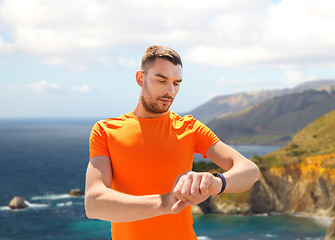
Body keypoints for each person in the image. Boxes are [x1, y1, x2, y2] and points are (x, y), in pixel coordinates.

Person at [84, 45, 261, 239]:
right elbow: (94, 204)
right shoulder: (105, 130)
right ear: (140, 78)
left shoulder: (190, 128)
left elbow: (251, 171)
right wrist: (164, 203)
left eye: (177, 83)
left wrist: (216, 183)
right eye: (161, 80)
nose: (170, 91)